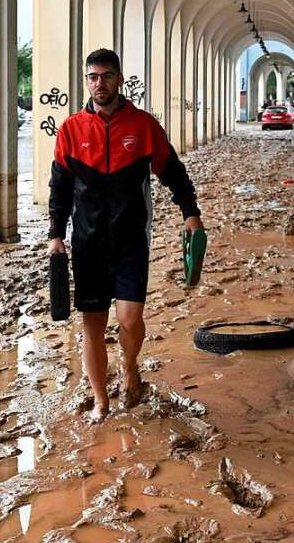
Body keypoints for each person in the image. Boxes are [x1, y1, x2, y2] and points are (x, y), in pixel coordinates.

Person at [48, 48, 204, 422]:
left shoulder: (144, 126)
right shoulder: (70, 129)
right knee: (93, 327)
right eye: (92, 77)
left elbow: (173, 172)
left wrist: (191, 214)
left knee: (130, 319)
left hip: (131, 240)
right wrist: (55, 235)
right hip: (87, 245)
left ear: (119, 78)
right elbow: (59, 187)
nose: (98, 83)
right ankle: (101, 401)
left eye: (105, 76)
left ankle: (129, 365)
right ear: (87, 81)